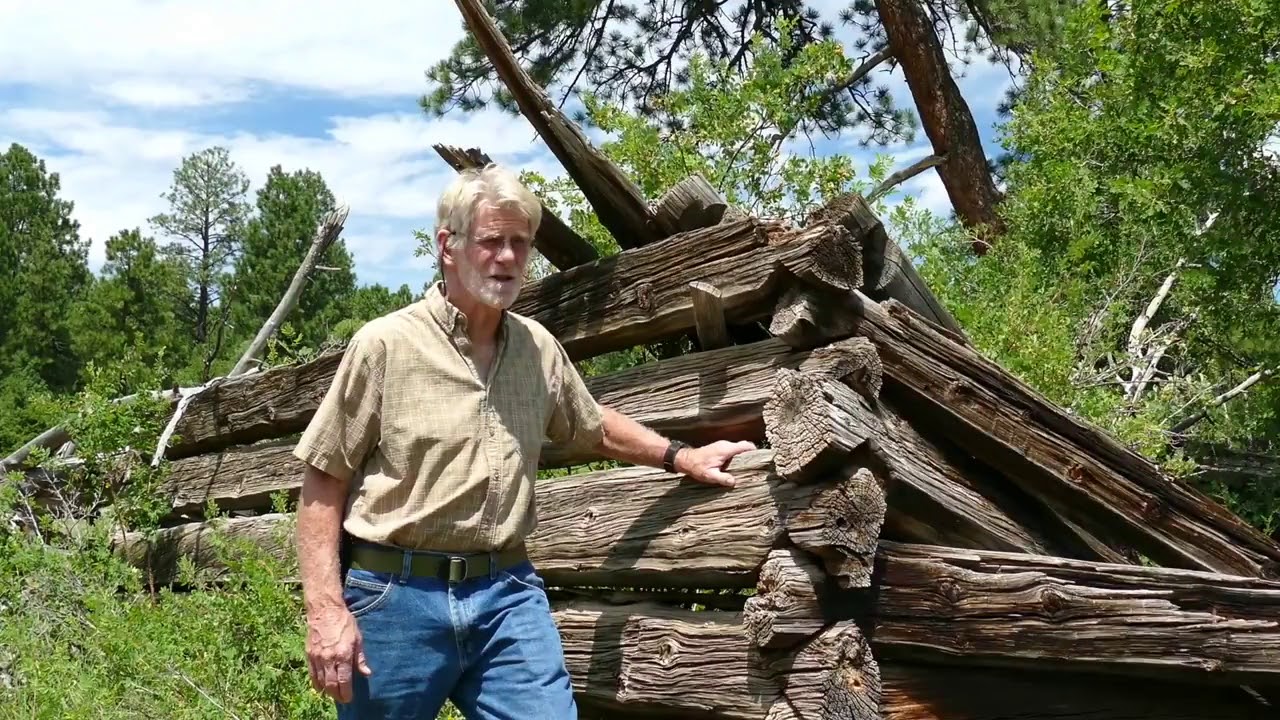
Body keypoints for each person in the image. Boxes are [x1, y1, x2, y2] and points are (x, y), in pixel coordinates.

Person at [293, 163, 756, 719]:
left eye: (520, 243)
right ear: (448, 245)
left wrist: (681, 455)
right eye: (492, 241)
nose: (508, 258)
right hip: (396, 597)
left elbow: (593, 425)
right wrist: (325, 610)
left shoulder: (536, 348)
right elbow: (324, 478)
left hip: (504, 595)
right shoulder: (386, 346)